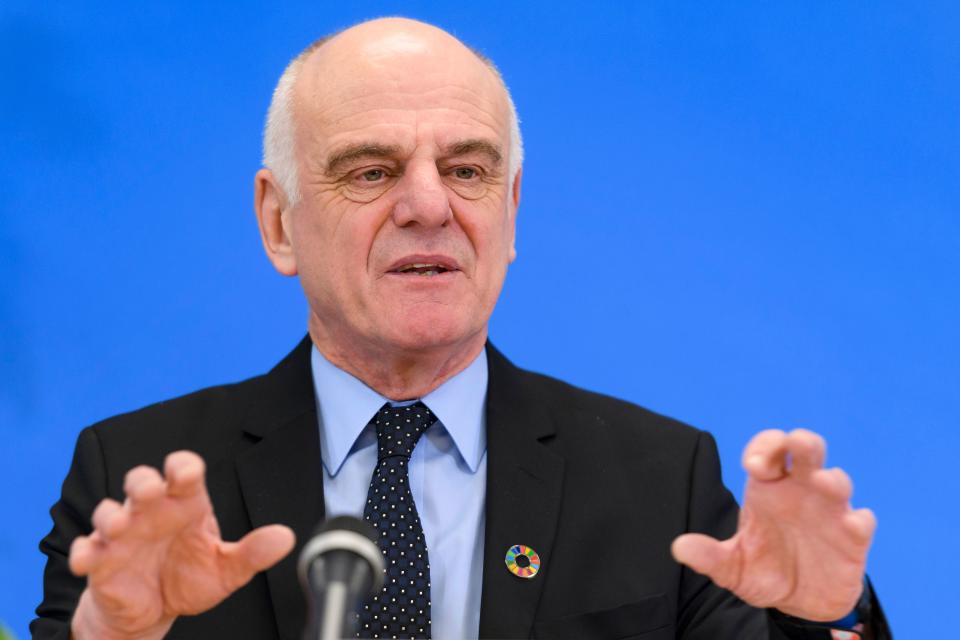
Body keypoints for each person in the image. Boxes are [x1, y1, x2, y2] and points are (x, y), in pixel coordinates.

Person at [32, 17, 890, 640]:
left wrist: (824, 620)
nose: (428, 206)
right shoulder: (135, 479)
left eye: (467, 169)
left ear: (510, 213)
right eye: (370, 171)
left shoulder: (663, 482)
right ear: (279, 222)